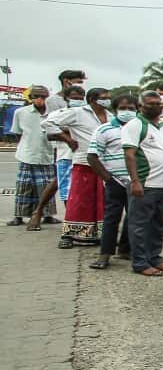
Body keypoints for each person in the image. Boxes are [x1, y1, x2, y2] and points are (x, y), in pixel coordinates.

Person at [40, 86, 110, 248]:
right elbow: (48, 123)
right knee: (78, 200)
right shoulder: (78, 113)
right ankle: (68, 235)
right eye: (104, 97)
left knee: (100, 201)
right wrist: (67, 138)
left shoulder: (110, 116)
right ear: (93, 99)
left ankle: (97, 234)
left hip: (104, 164)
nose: (107, 100)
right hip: (83, 161)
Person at [122, 91, 163, 276]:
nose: (156, 107)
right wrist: (135, 181)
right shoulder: (135, 125)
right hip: (147, 184)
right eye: (150, 104)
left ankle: (155, 258)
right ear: (141, 107)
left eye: (158, 103)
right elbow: (129, 154)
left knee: (157, 225)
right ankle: (140, 262)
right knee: (140, 225)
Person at [86, 94, 137, 269]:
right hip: (115, 181)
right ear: (115, 110)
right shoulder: (104, 130)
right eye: (123, 108)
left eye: (131, 108)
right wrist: (108, 179)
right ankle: (105, 255)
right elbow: (92, 157)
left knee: (134, 217)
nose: (127, 112)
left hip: (136, 181)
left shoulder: (140, 129)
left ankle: (125, 249)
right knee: (111, 218)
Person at [41, 69, 88, 222]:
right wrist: (69, 136)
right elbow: (51, 127)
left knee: (77, 187)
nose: (81, 84)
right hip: (64, 150)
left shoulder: (85, 106)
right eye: (78, 81)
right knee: (64, 185)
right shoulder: (54, 102)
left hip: (83, 152)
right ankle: (68, 221)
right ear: (66, 81)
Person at [10, 85, 56, 228]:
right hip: (27, 154)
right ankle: (18, 216)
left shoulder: (54, 113)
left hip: (47, 154)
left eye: (43, 97)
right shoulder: (20, 113)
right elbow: (18, 132)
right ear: (31, 98)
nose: (40, 100)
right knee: (24, 186)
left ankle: (47, 215)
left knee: (46, 186)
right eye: (36, 96)